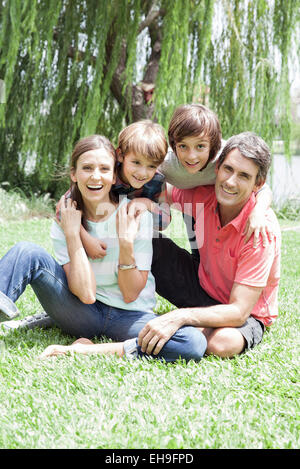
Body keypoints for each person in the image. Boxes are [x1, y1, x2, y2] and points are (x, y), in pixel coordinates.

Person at [0, 134, 207, 362]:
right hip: (81, 313)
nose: (95, 176)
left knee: (192, 341)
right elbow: (86, 295)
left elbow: (130, 294)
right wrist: (73, 234)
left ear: (113, 175)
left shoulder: (135, 215)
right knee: (26, 251)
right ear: (73, 174)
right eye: (87, 168)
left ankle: (88, 349)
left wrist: (126, 243)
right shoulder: (67, 218)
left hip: (130, 317)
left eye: (104, 169)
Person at [145, 131, 281, 358]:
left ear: (258, 184)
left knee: (223, 344)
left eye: (244, 176)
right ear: (217, 168)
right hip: (202, 287)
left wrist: (181, 316)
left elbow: (238, 312)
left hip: (245, 313)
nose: (230, 182)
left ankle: (193, 327)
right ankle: (114, 313)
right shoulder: (203, 196)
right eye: (228, 169)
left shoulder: (261, 230)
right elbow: (159, 191)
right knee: (146, 241)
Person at [159, 104, 273, 258]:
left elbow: (263, 188)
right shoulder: (165, 163)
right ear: (174, 145)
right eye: (183, 146)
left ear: (213, 145)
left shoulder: (226, 156)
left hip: (218, 202)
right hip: (192, 202)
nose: (191, 156)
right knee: (199, 255)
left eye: (200, 146)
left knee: (221, 253)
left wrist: (258, 212)